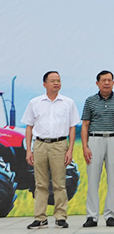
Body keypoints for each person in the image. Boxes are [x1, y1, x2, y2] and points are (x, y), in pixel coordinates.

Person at [22, 71, 80, 229]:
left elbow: (72, 128)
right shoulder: (35, 102)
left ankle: (60, 217)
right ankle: (40, 218)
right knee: (40, 183)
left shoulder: (68, 102)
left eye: (58, 81)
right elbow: (29, 127)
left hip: (59, 145)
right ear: (45, 84)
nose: (56, 83)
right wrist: (29, 150)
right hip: (40, 145)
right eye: (53, 80)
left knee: (59, 183)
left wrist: (70, 150)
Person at [81, 70, 114, 228]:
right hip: (94, 139)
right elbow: (85, 125)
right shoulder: (90, 101)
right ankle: (92, 216)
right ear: (97, 83)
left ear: (113, 83)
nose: (107, 83)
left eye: (109, 80)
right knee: (93, 180)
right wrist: (85, 146)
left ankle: (111, 215)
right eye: (103, 80)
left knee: (113, 180)